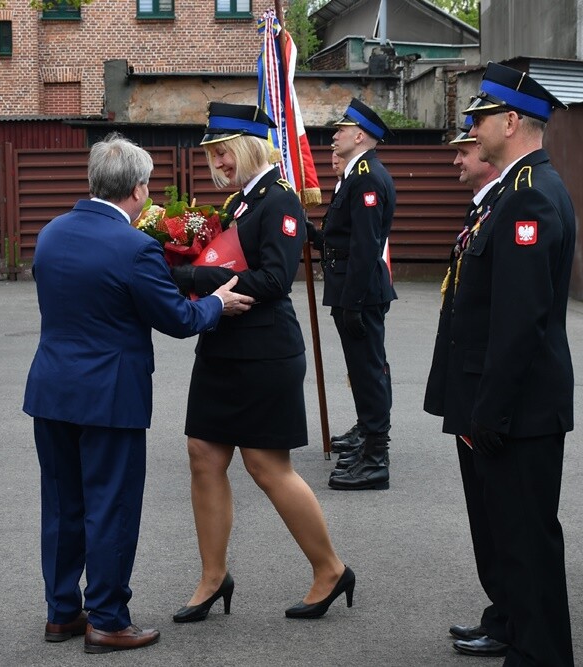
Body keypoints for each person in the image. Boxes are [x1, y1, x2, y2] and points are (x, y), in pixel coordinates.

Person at [23, 133, 254, 654]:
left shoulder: (51, 233)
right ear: (137, 189)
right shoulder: (134, 247)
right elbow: (176, 318)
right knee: (110, 506)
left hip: (52, 389)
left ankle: (62, 612)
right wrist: (217, 303)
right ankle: (107, 618)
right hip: (110, 396)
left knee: (61, 505)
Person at [168, 102, 353, 622]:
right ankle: (212, 577)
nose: (218, 162)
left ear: (250, 146)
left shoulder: (280, 200)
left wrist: (193, 279)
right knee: (203, 454)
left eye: (224, 151)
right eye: (212, 155)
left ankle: (330, 569)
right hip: (223, 345)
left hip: (265, 351)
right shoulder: (241, 203)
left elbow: (274, 279)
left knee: (267, 466)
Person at [444, 61, 576, 667]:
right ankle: (522, 639)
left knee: (526, 543)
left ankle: (539, 654)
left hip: (519, 408)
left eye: (481, 117)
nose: (473, 128)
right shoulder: (516, 190)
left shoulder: (531, 197)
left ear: (512, 121)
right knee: (511, 539)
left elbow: (520, 320)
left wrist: (490, 410)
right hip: (507, 402)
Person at [422, 115, 509, 659]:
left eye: (466, 149)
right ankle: (501, 611)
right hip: (468, 381)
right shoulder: (484, 209)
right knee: (486, 513)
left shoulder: (510, 205)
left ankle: (510, 618)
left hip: (486, 389)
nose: (457, 158)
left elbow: (512, 318)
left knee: (501, 514)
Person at [323, 98, 398, 491]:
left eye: (341, 129)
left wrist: (351, 303)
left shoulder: (366, 177)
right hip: (353, 289)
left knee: (368, 372)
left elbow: (366, 247)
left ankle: (375, 457)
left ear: (360, 135)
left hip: (360, 293)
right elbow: (344, 237)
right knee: (364, 369)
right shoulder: (357, 174)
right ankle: (367, 437)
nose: (334, 136)